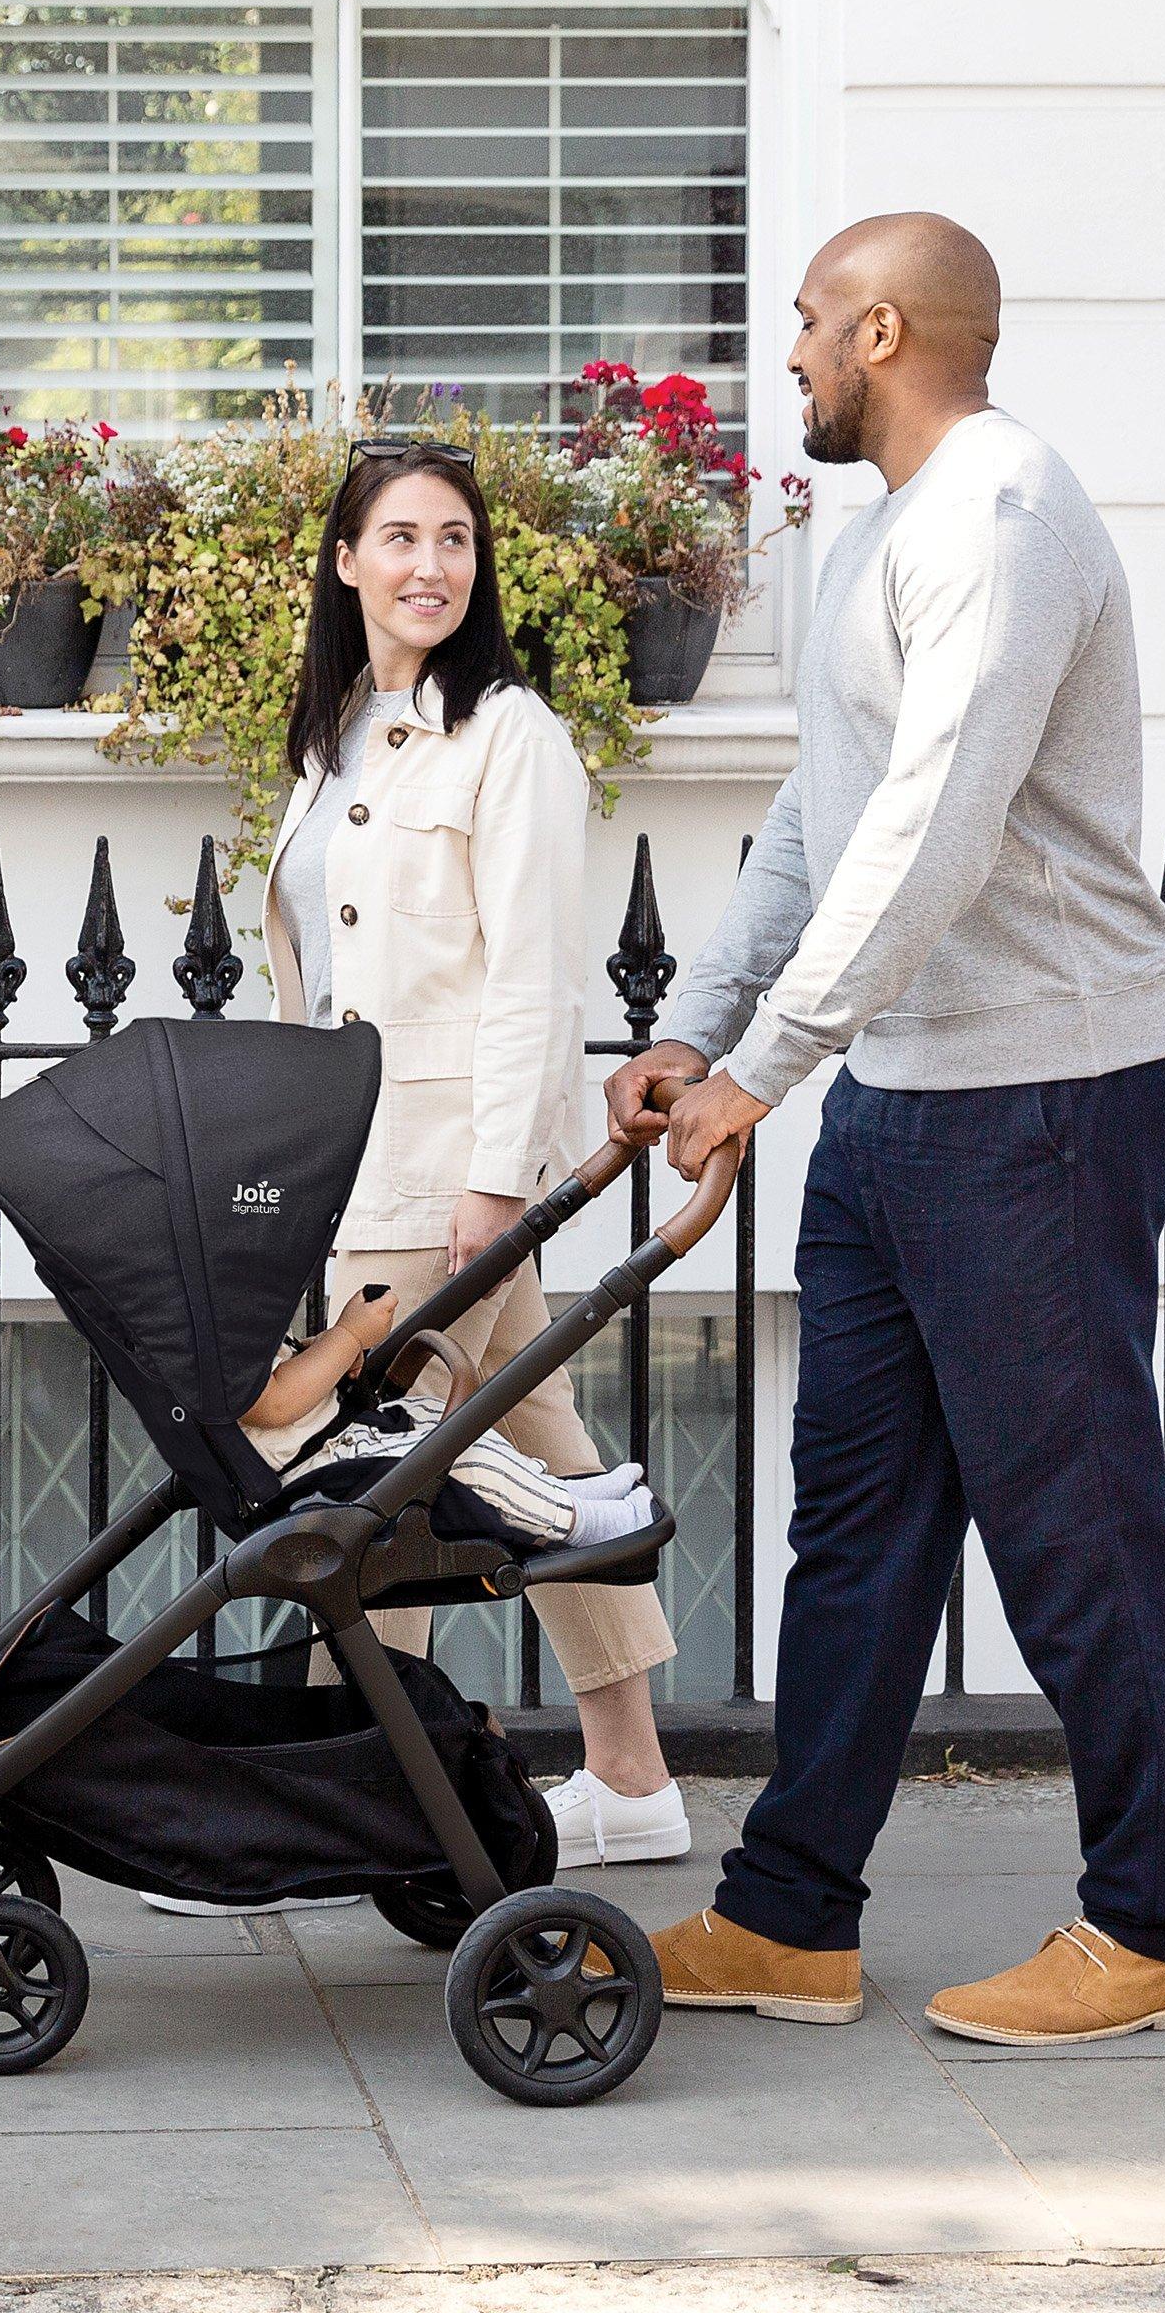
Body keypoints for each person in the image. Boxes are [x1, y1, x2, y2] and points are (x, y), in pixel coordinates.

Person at [605, 212, 1165, 2042]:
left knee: (1074, 1519)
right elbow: (825, 811)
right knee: (859, 1523)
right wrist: (697, 1029)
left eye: (805, 322)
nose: (782, 353)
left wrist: (762, 1069)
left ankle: (1156, 1926)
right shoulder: (879, 534)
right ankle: (793, 1917)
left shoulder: (1006, 519)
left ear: (884, 329)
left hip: (1047, 1084)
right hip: (903, 1095)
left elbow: (939, 828)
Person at [261, 436, 691, 1871]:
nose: (430, 565)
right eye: (400, 538)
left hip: (445, 1167)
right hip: (355, 1162)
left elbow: (533, 974)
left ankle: (359, 1800)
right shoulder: (333, 745)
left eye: (455, 540)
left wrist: (499, 1177)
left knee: (369, 1483)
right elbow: (317, 976)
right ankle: (628, 1783)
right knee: (537, 1447)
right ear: (347, 562)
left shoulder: (510, 734)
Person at [240, 1282, 662, 1553]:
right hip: (325, 1472)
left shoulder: (220, 1327)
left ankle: (549, 1489)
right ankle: (579, 1522)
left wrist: (328, 1352)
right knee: (463, 1462)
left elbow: (281, 1376)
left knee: (441, 1419)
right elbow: (273, 1404)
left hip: (346, 1435)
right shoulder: (212, 1355)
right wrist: (348, 1334)